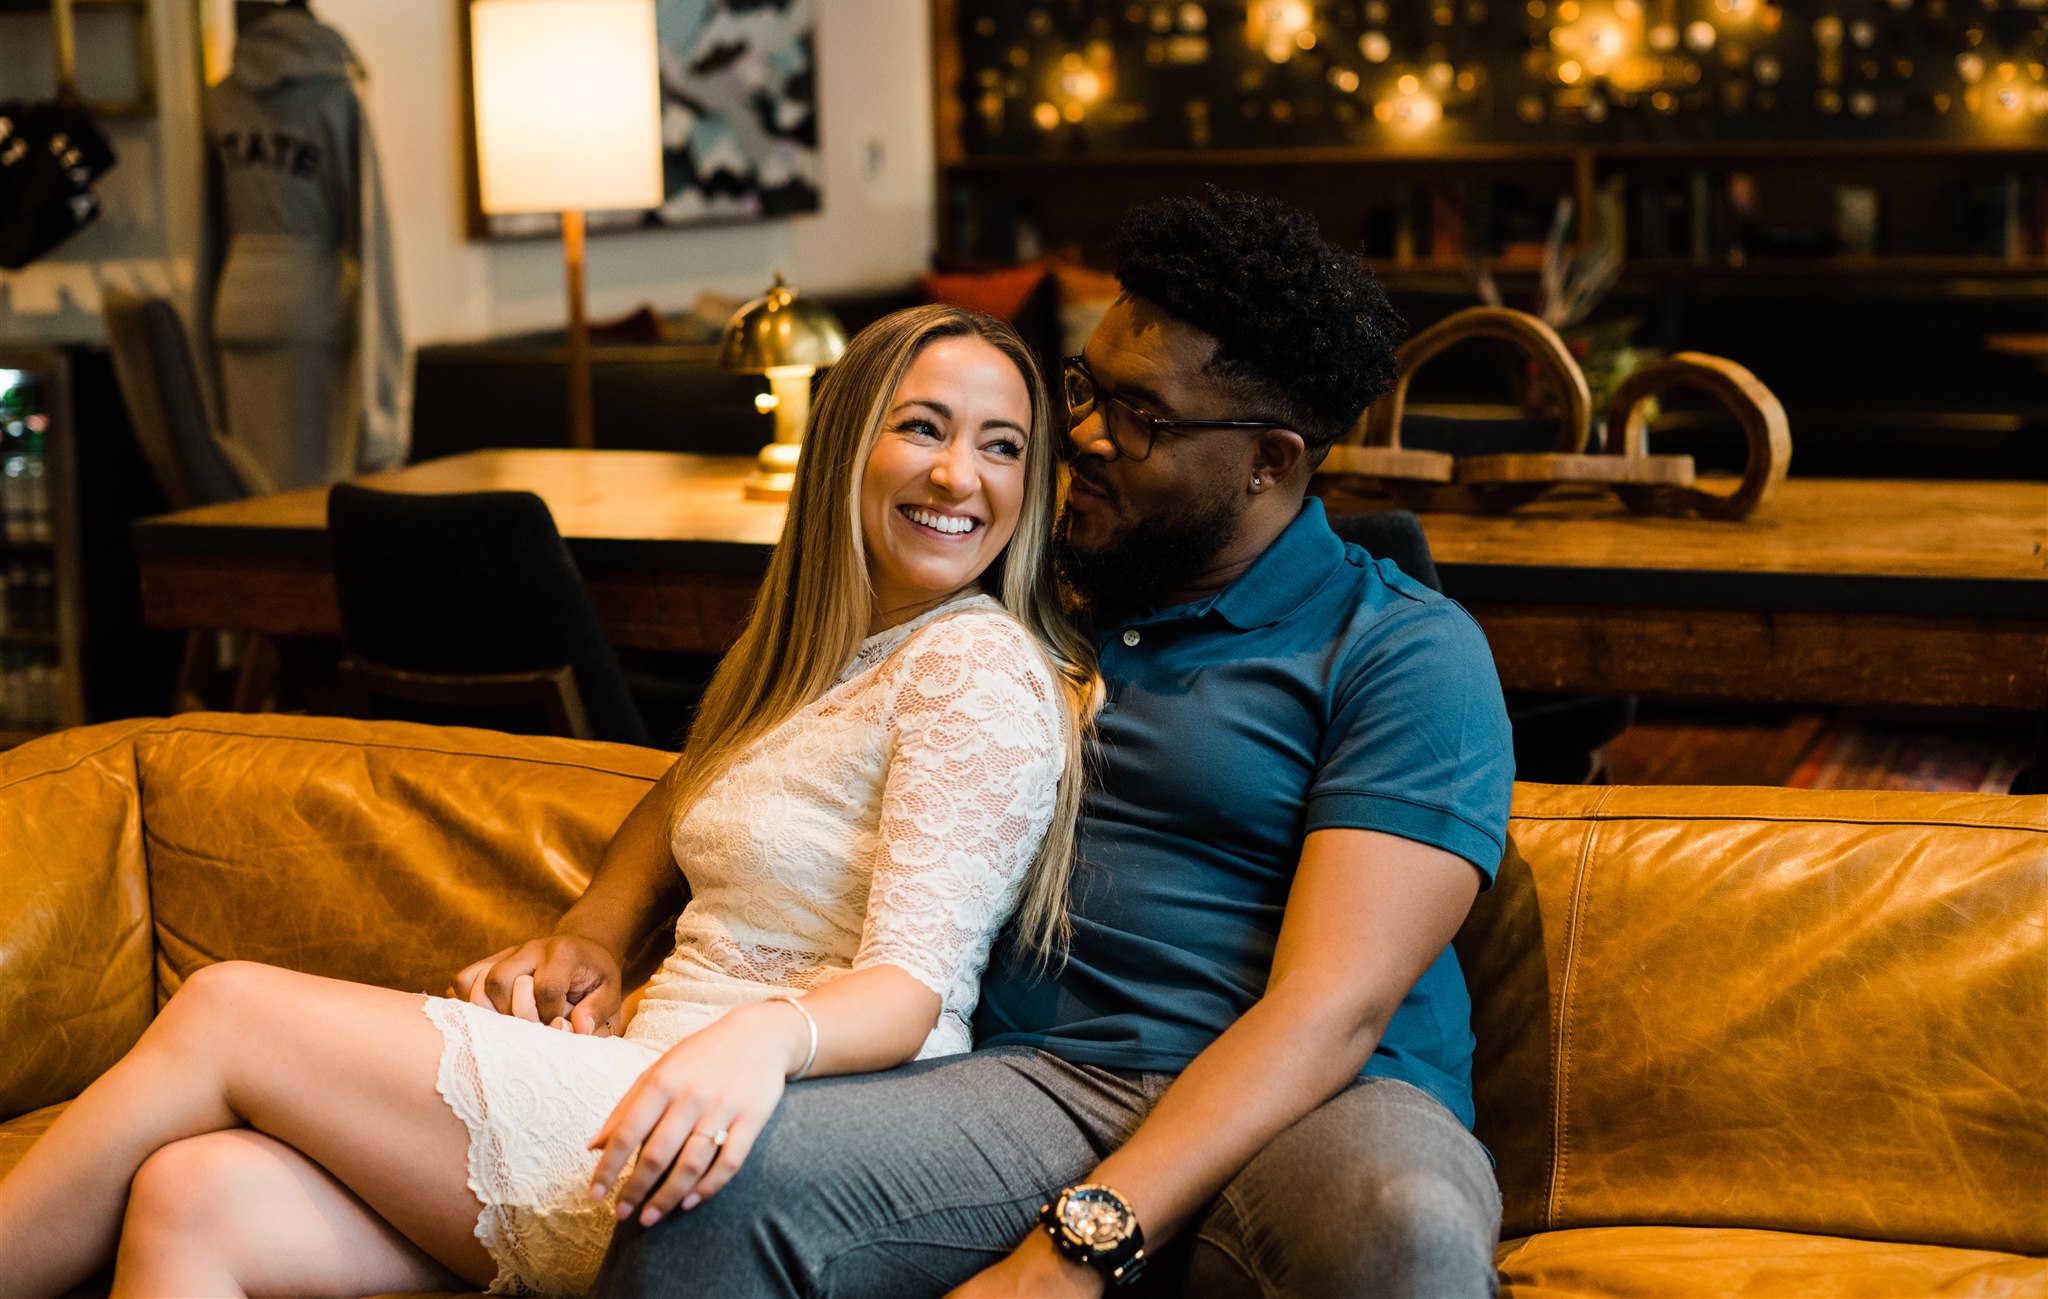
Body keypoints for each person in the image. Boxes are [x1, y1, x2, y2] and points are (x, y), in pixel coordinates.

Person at [0, 305, 1097, 1299]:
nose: (960, 476)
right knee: (193, 1192)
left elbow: (912, 991)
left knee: (227, 1007)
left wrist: (762, 1039)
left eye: (999, 446)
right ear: (845, 444)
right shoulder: (820, 657)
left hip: (756, 1128)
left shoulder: (971, 668)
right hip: (643, 1071)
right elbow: (689, 788)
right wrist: (593, 932)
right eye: (922, 428)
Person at [596, 191, 1516, 1299]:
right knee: (709, 1194)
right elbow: (760, 742)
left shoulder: (1401, 651)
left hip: (1324, 1104)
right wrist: (596, 930)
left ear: (1268, 462)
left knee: (1402, 1235)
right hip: (1036, 1080)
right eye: (1084, 385)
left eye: (1139, 415)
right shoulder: (1021, 584)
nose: (1079, 433)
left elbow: (1333, 1010)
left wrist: (1075, 1248)